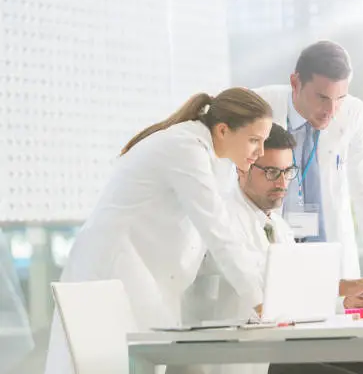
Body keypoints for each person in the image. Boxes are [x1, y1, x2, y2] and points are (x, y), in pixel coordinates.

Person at [44, 88, 275, 374]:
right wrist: (261, 301)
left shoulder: (217, 161)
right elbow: (218, 232)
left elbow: (222, 233)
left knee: (144, 360)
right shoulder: (185, 148)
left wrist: (265, 282)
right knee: (113, 364)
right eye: (254, 140)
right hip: (114, 268)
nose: (260, 152)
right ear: (224, 130)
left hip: (146, 274)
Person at [186, 124, 363, 374]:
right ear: (242, 167)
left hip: (277, 353)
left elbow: (296, 300)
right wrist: (340, 286)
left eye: (288, 171)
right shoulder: (220, 220)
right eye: (272, 172)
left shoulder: (279, 227)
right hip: (237, 360)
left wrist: (344, 303)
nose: (283, 183)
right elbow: (263, 281)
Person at [253, 40, 363, 298]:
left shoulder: (354, 114)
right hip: (271, 256)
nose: (331, 110)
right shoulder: (258, 107)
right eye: (322, 97)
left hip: (331, 256)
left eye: (340, 98)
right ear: (295, 83)